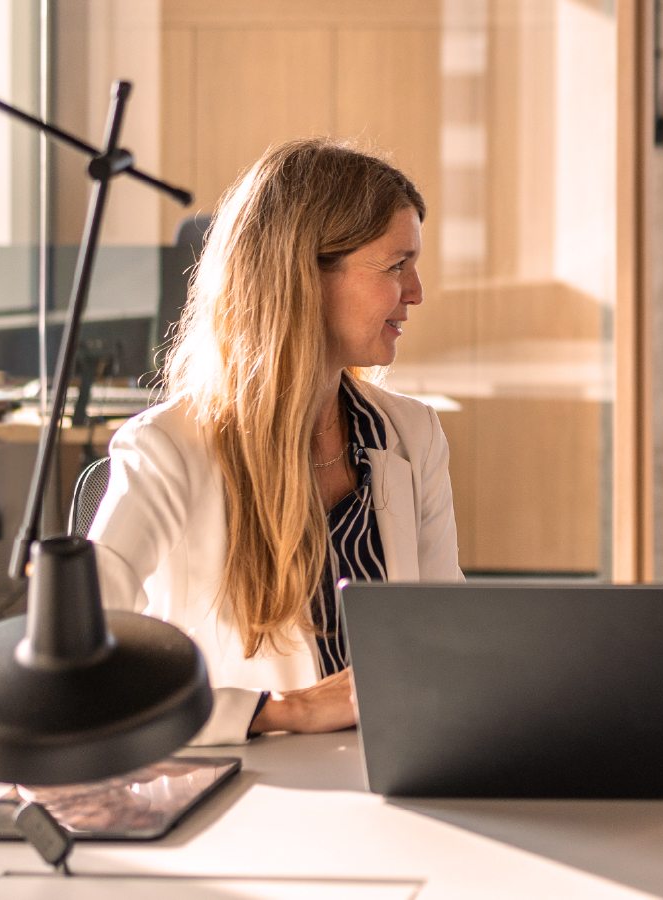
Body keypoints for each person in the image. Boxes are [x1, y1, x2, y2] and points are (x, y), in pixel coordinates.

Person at [88, 139, 462, 745]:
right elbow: (78, 666)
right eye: (396, 266)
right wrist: (287, 709)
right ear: (303, 277)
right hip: (250, 793)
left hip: (398, 773)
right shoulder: (164, 451)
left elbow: (452, 637)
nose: (415, 291)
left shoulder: (411, 435)